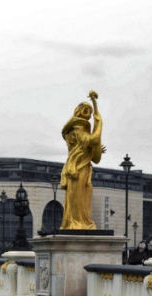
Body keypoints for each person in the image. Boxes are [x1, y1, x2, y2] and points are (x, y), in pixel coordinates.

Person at [59, 90, 105, 230]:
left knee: (84, 195)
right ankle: (77, 223)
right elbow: (91, 139)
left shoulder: (78, 127)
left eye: (90, 112)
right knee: (78, 197)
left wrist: (94, 150)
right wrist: (100, 124)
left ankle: (81, 222)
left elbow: (85, 149)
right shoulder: (77, 127)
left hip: (83, 166)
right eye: (85, 110)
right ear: (78, 111)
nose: (89, 114)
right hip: (77, 168)